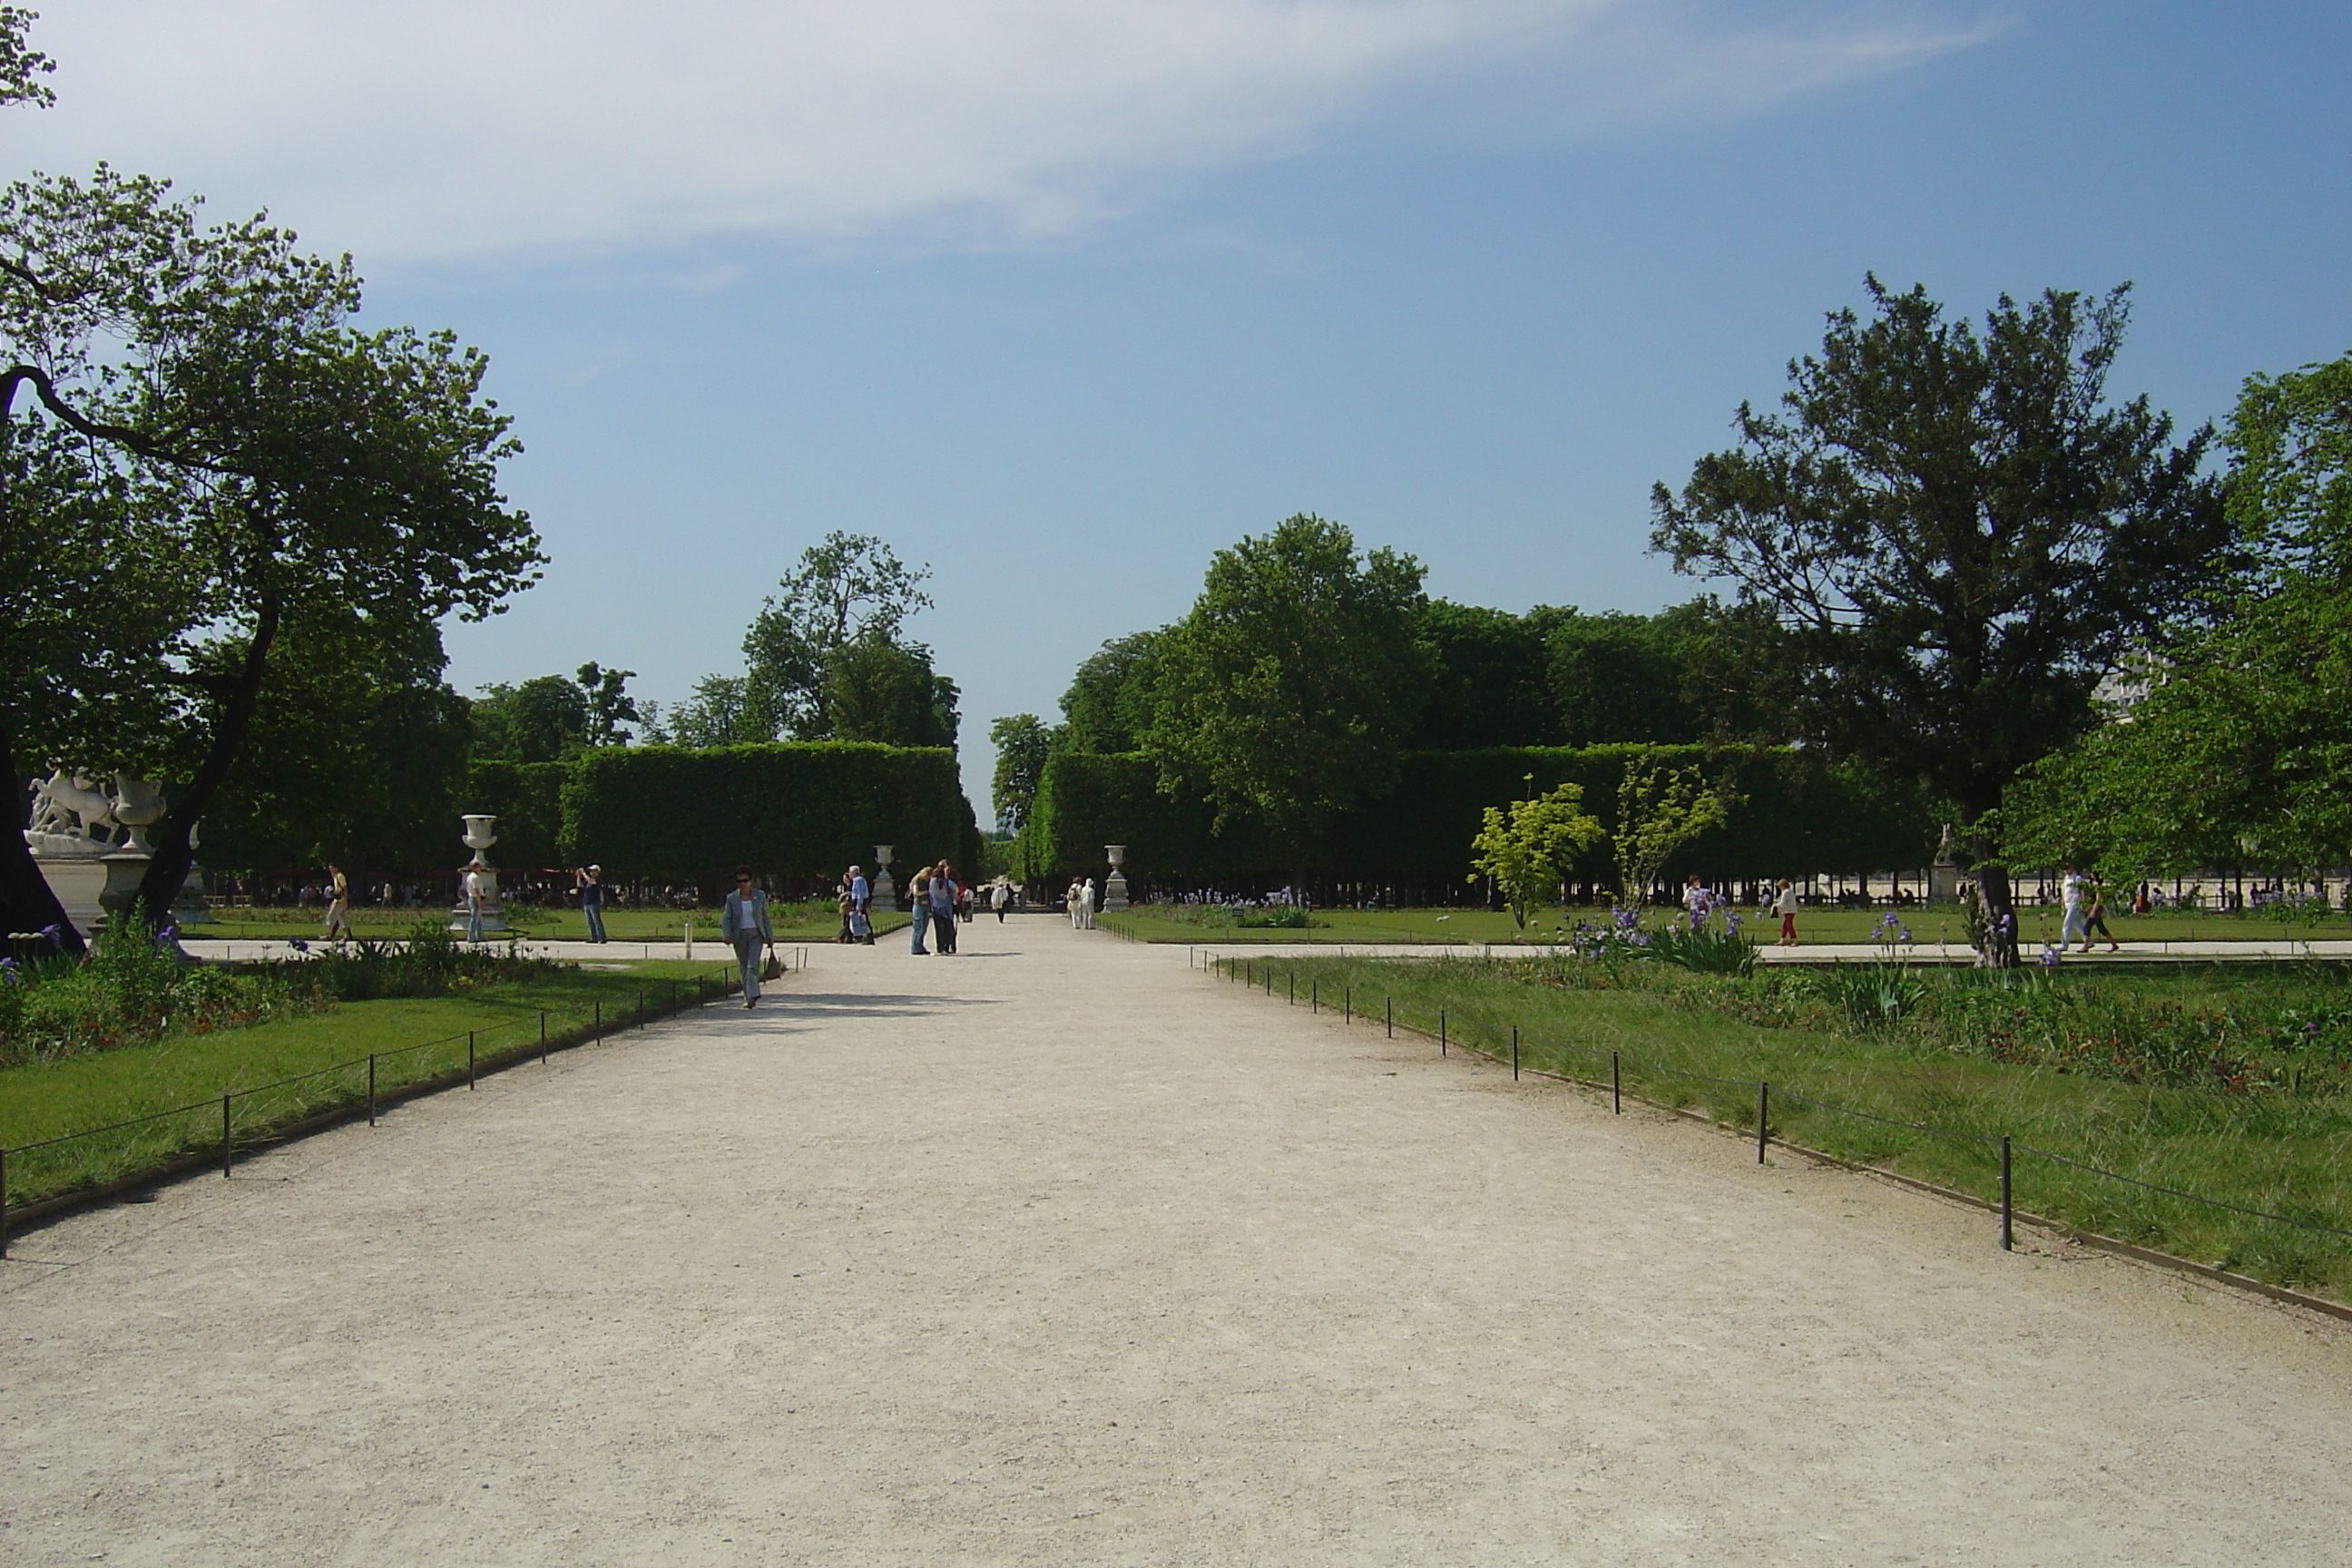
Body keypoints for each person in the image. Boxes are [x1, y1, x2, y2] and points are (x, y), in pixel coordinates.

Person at [721, 866, 775, 1008]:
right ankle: (748, 997)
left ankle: (753, 994)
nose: (743, 884)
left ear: (751, 881)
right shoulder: (732, 898)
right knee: (744, 967)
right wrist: (726, 934)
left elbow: (764, 917)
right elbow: (727, 918)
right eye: (739, 881)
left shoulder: (759, 896)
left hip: (756, 934)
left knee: (752, 966)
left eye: (745, 881)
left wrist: (769, 936)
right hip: (739, 936)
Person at [2081, 877, 2119, 954]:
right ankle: (2114, 945)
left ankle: (2085, 947)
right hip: (2094, 908)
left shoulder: (2098, 887)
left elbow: (2098, 900)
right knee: (2101, 928)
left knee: (2087, 928)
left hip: (2097, 909)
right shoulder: (2091, 886)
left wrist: (2093, 910)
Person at [929, 860, 961, 954]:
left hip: (935, 908)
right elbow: (956, 888)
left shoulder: (932, 883)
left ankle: (940, 947)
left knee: (939, 930)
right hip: (947, 908)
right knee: (948, 929)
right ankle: (948, 946)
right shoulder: (947, 882)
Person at [2059, 864, 2089, 948]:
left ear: (2072, 868)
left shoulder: (2077, 878)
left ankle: (2064, 944)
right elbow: (2064, 892)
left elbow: (2083, 891)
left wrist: (2084, 903)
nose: (2065, 871)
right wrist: (2063, 904)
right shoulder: (2066, 879)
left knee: (2067, 924)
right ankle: (2088, 940)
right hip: (2068, 903)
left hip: (2075, 903)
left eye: (2067, 869)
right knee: (2077, 924)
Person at [576, 864, 608, 944]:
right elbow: (580, 885)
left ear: (597, 872)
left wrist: (584, 873)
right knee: (590, 921)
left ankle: (602, 937)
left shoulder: (597, 880)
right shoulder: (588, 881)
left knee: (596, 920)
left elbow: (592, 881)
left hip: (594, 902)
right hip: (586, 902)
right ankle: (594, 937)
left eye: (594, 871)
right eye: (591, 871)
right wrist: (579, 876)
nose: (592, 872)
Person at [322, 863, 353, 941]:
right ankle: (347, 935)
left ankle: (329, 935)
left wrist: (345, 901)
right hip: (339, 899)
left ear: (336, 868)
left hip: (340, 900)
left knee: (331, 916)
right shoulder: (336, 877)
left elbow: (345, 888)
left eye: (332, 868)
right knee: (342, 918)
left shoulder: (339, 876)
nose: (331, 870)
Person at [907, 867, 932, 954]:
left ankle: (920, 946)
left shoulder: (926, 881)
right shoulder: (917, 880)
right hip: (919, 905)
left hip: (926, 906)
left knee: (924, 927)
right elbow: (916, 892)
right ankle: (915, 948)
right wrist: (926, 892)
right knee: (918, 927)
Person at [849, 864, 873, 945]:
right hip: (859, 900)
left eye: (850, 872)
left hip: (858, 901)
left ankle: (868, 937)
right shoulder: (858, 880)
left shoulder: (857, 880)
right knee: (857, 919)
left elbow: (859, 893)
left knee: (863, 919)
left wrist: (858, 905)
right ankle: (858, 936)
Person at [1772, 877, 1799, 946]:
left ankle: (1795, 941)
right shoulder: (1789, 891)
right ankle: (1782, 940)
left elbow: (1782, 903)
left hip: (1789, 911)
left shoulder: (1785, 892)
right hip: (1790, 910)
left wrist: (1776, 905)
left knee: (1789, 926)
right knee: (1785, 926)